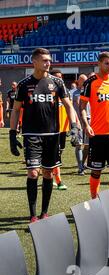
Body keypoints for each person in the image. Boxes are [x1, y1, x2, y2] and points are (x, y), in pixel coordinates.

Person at [9, 48, 80, 223]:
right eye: (44, 60)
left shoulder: (57, 82)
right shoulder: (24, 84)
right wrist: (12, 134)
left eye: (49, 60)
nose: (48, 63)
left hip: (53, 135)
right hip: (32, 135)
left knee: (48, 174)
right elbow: (16, 109)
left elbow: (69, 105)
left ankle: (44, 212)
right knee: (33, 173)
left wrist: (74, 127)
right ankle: (33, 215)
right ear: (34, 62)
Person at [80, 51, 109, 199]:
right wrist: (86, 125)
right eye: (107, 63)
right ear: (99, 63)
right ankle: (94, 199)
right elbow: (81, 106)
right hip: (97, 134)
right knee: (96, 171)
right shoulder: (90, 82)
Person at [49, 69, 69, 190]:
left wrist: (75, 123)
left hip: (63, 128)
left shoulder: (65, 91)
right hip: (51, 128)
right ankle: (57, 180)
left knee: (59, 153)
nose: (59, 79)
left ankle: (51, 176)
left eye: (60, 77)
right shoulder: (48, 91)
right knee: (54, 155)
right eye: (56, 77)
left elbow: (69, 107)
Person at [72, 74, 88, 175]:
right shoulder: (73, 93)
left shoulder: (89, 91)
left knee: (87, 145)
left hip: (88, 121)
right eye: (83, 80)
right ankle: (80, 166)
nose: (85, 82)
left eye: (86, 80)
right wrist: (74, 121)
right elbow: (70, 108)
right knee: (79, 145)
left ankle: (83, 163)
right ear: (78, 81)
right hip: (78, 121)